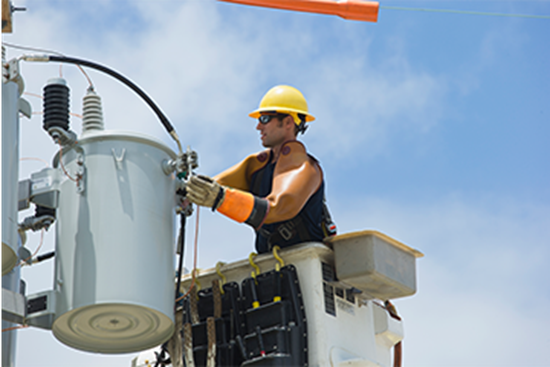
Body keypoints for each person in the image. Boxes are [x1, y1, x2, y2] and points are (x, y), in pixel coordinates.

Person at [186, 85, 336, 254]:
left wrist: (220, 198)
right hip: (270, 265)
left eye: (264, 118)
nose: (258, 126)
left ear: (288, 122)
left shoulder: (305, 168)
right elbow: (211, 185)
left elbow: (278, 207)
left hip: (306, 267)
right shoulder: (258, 165)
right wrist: (186, 191)